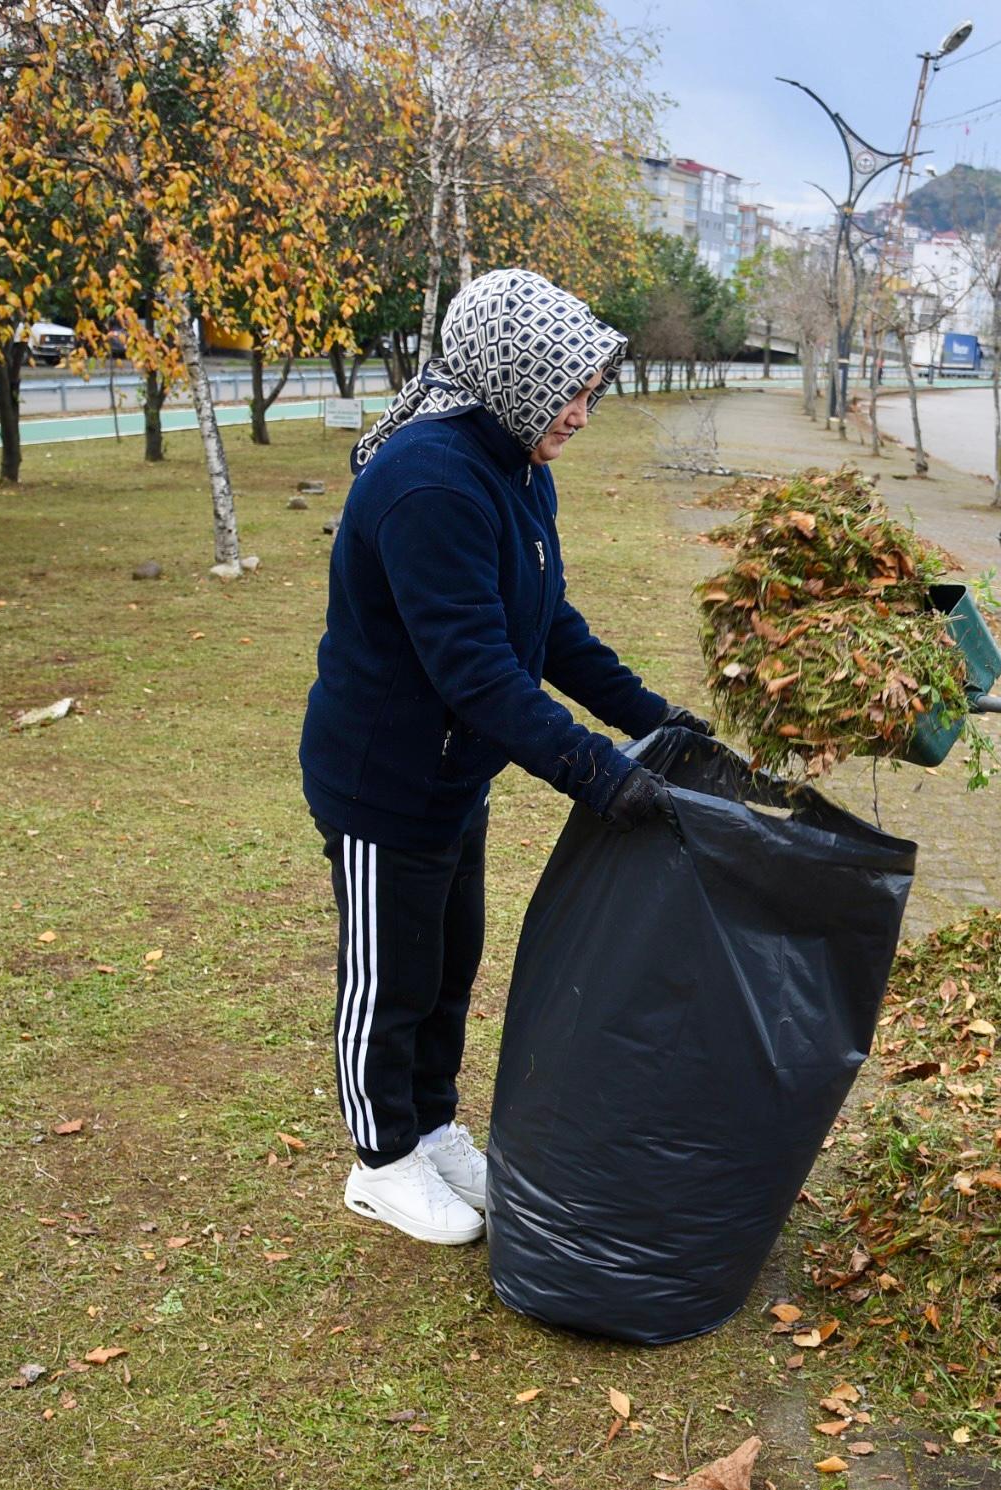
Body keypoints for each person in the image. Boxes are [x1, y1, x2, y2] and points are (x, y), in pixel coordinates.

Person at [299, 269, 707, 1247]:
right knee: (388, 975)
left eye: (590, 386)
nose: (582, 408)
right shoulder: (429, 481)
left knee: (447, 965)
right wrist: (601, 773)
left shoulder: (517, 467)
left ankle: (431, 1125)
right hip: (383, 777)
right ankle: (380, 1161)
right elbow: (476, 672)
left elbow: (545, 624)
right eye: (569, 387)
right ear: (513, 379)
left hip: (453, 775)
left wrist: (655, 720)